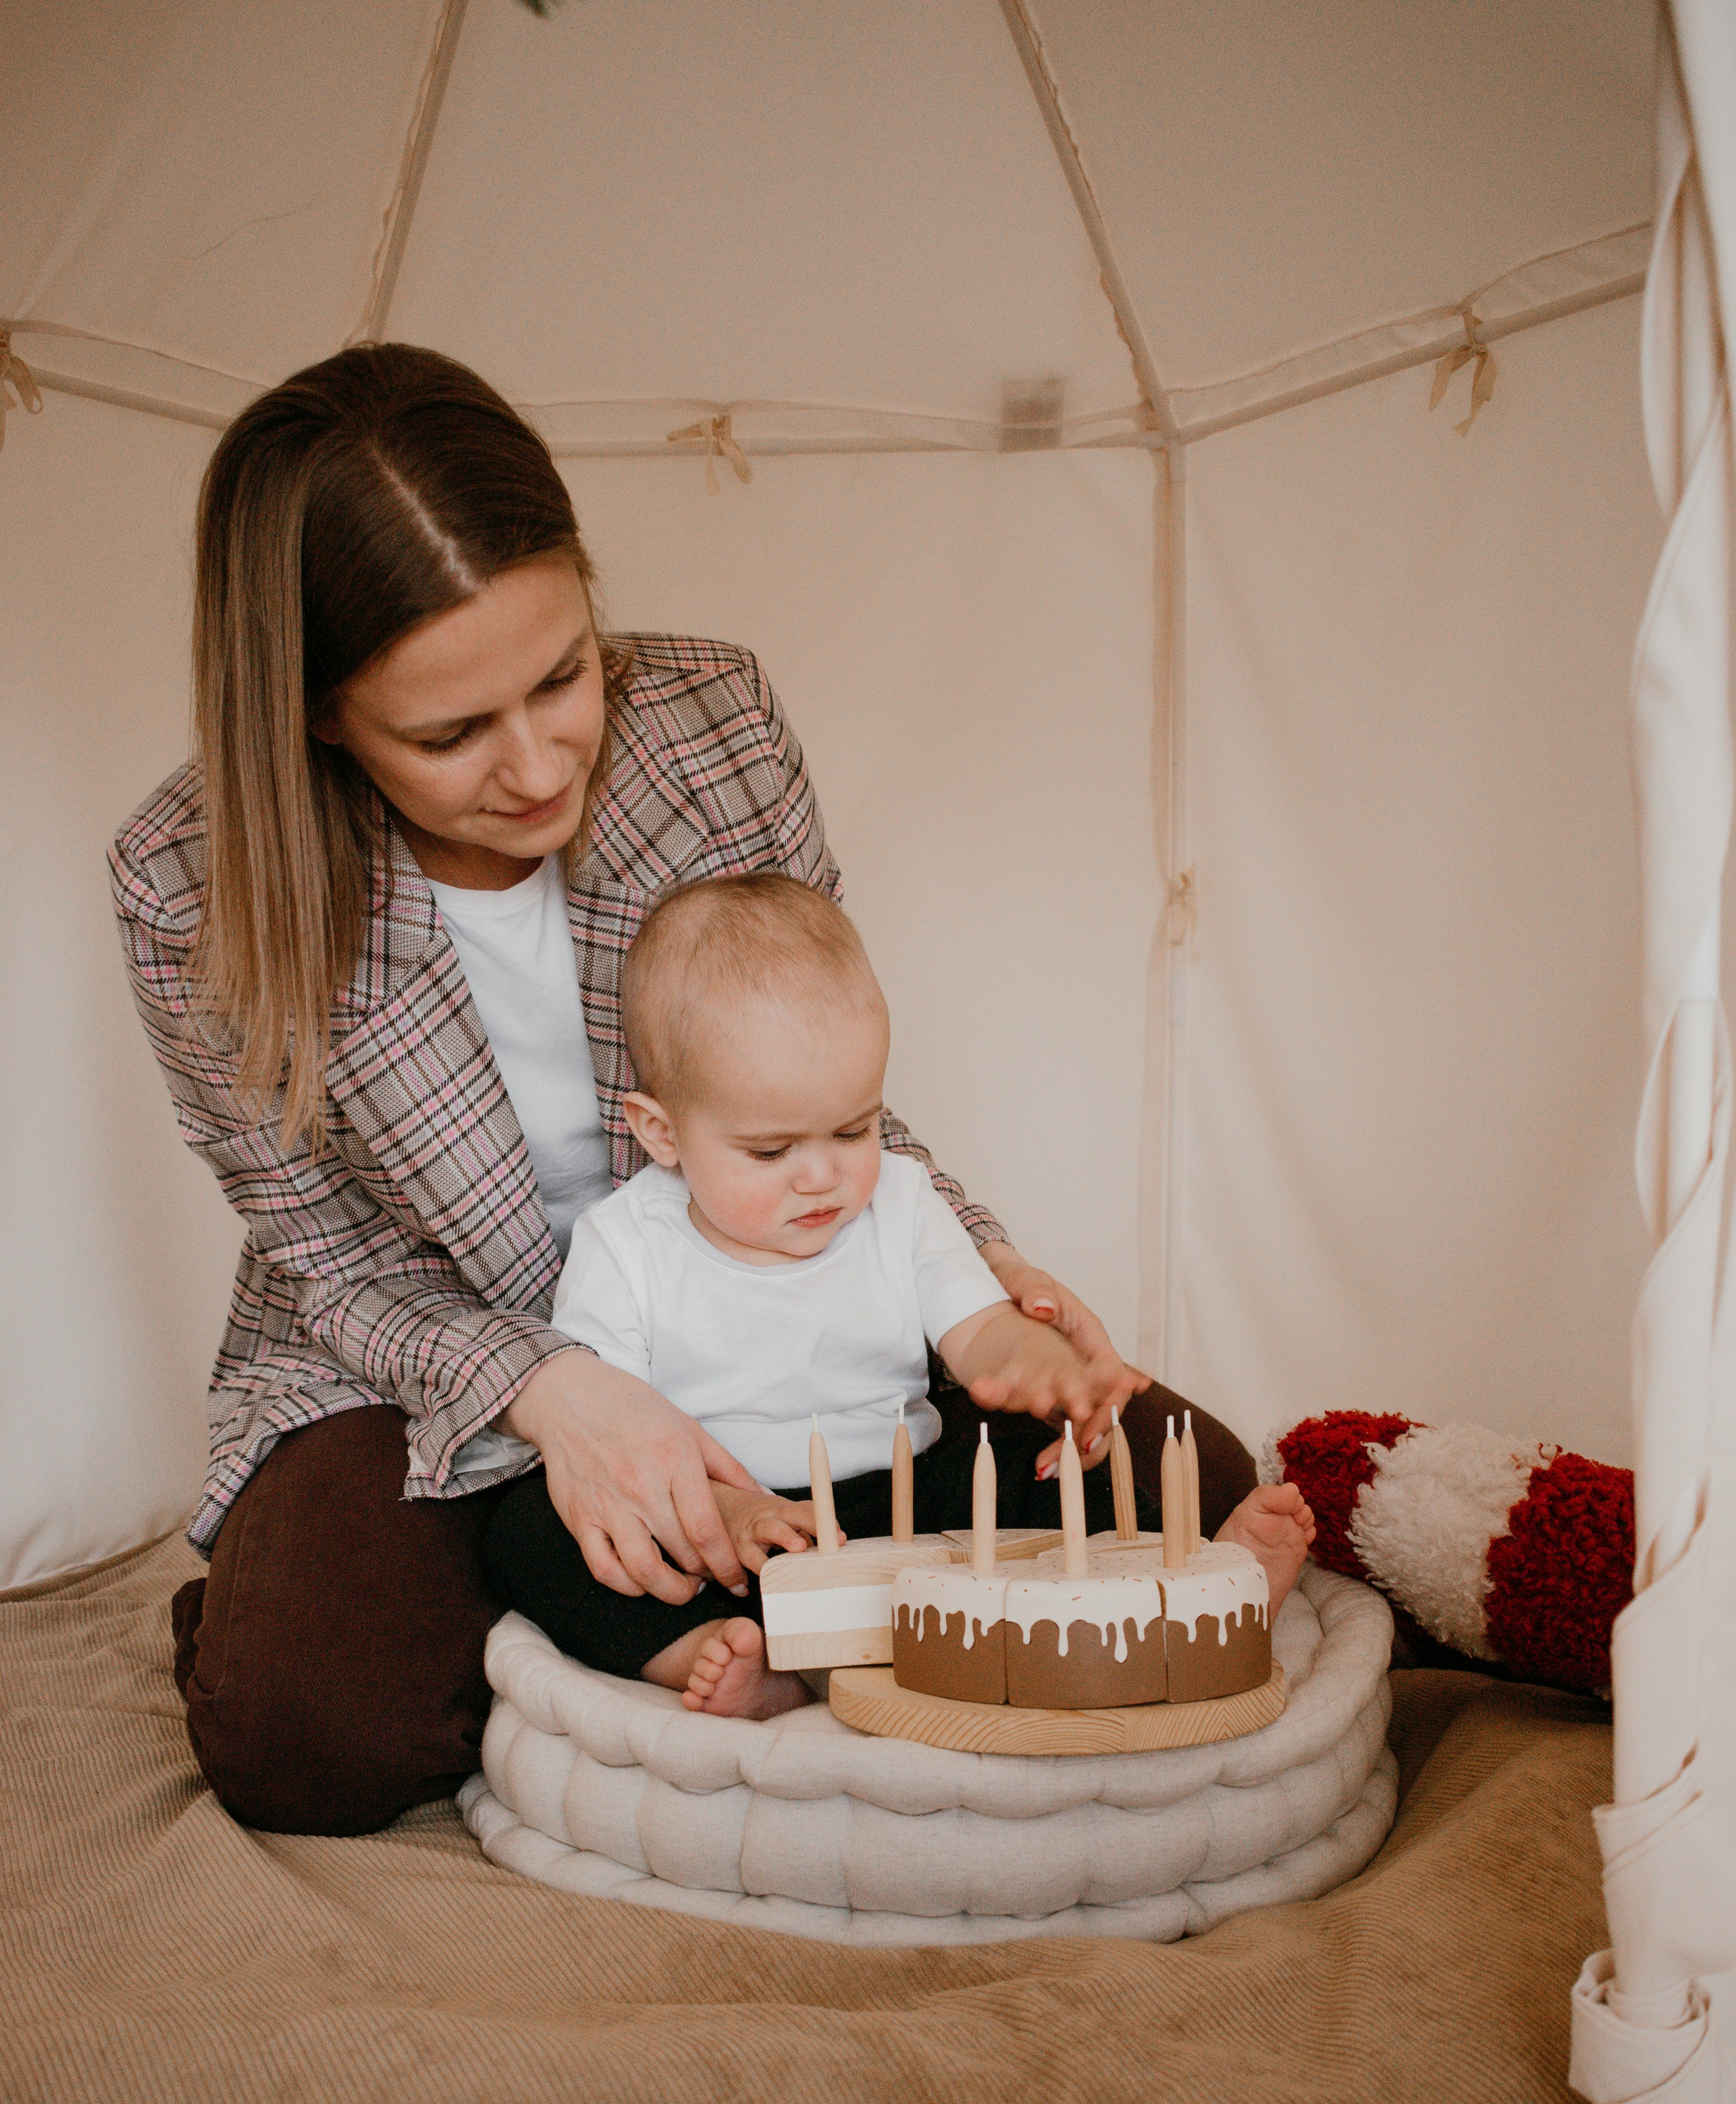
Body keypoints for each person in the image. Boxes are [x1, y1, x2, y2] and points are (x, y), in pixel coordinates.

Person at [111, 339, 1255, 1836]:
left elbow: (814, 1074)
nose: (534, 767)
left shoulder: (708, 725)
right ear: (320, 715)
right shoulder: (189, 880)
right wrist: (558, 1396)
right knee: (307, 1741)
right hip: (421, 1354)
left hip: (780, 1289)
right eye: (451, 734)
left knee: (1190, 1481)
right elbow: (329, 1259)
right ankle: (442, 1572)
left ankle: (669, 1596)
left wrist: (980, 1280)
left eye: (562, 675)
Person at [485, 876, 1315, 1717]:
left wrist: (1040, 1368)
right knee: (531, 1530)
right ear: (661, 1132)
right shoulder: (623, 1243)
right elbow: (615, 1426)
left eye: (853, 1130)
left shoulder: (902, 1201)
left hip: (912, 1502)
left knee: (1047, 1460)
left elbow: (981, 1333)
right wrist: (727, 1513)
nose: (823, 1176)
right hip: (735, 1531)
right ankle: (726, 1657)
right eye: (769, 1152)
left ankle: (1202, 1592)